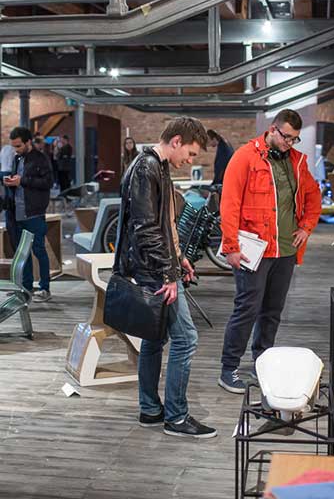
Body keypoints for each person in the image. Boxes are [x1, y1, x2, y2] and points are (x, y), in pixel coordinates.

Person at [115, 117, 217, 439]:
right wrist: (168, 274)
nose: (190, 160)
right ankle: (177, 417)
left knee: (154, 337)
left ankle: (150, 409)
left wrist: (180, 257)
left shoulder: (156, 166)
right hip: (155, 272)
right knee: (185, 339)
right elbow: (145, 230)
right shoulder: (147, 168)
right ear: (176, 141)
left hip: (157, 267)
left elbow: (164, 224)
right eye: (190, 153)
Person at [218, 109, 322, 393]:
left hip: (285, 251)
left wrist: (306, 227)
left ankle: (262, 362)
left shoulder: (296, 162)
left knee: (273, 311)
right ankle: (229, 368)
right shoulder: (244, 158)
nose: (290, 143)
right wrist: (230, 246)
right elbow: (229, 203)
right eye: (286, 137)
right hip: (253, 251)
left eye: (294, 139)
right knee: (247, 308)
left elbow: (313, 196)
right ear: (273, 130)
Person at [3, 127, 53, 302]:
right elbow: (19, 181)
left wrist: (22, 181)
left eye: (18, 146)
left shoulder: (41, 159)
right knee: (22, 253)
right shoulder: (17, 158)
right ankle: (26, 288)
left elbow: (48, 182)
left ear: (28, 142)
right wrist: (10, 181)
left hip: (34, 213)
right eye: (14, 146)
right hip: (16, 213)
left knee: (38, 250)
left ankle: (45, 288)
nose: (16, 149)